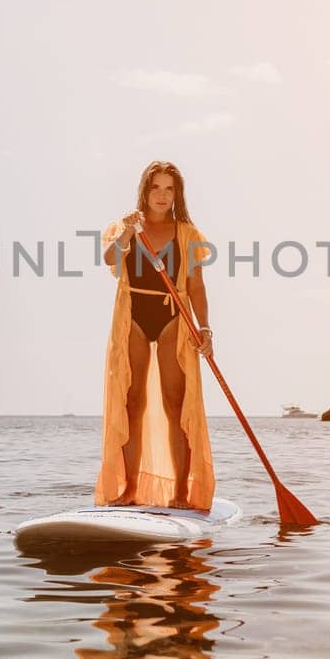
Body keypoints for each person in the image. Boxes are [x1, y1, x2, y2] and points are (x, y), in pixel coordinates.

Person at [95, 161, 216, 511]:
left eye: (169, 189)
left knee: (175, 403)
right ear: (144, 191)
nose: (162, 196)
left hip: (173, 319)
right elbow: (109, 260)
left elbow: (196, 285)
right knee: (131, 401)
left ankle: (180, 491)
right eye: (156, 188)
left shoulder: (187, 234)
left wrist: (204, 327)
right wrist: (128, 234)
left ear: (177, 194)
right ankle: (130, 488)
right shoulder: (125, 226)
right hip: (133, 316)